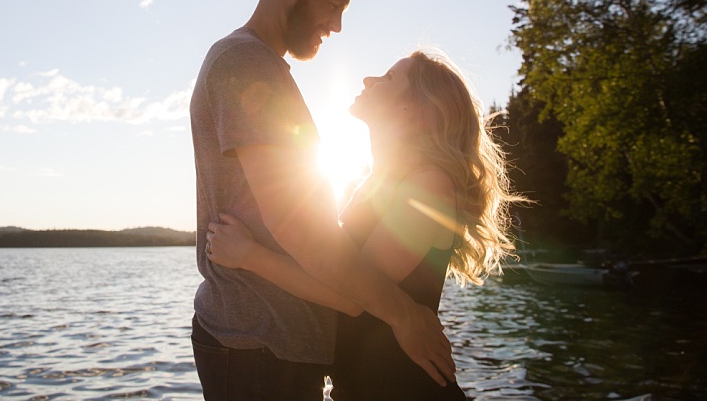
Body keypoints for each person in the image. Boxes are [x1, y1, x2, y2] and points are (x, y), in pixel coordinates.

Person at [190, 0, 456, 401]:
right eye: (333, 6)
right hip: (259, 340)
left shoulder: (262, 67)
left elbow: (322, 235)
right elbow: (297, 226)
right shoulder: (248, 62)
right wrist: (404, 314)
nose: (336, 26)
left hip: (272, 342)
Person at [208, 51, 514, 399]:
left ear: (410, 109)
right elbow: (330, 264)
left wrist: (249, 255)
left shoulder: (430, 186)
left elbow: (350, 293)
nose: (369, 80)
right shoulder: (377, 182)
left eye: (388, 78)